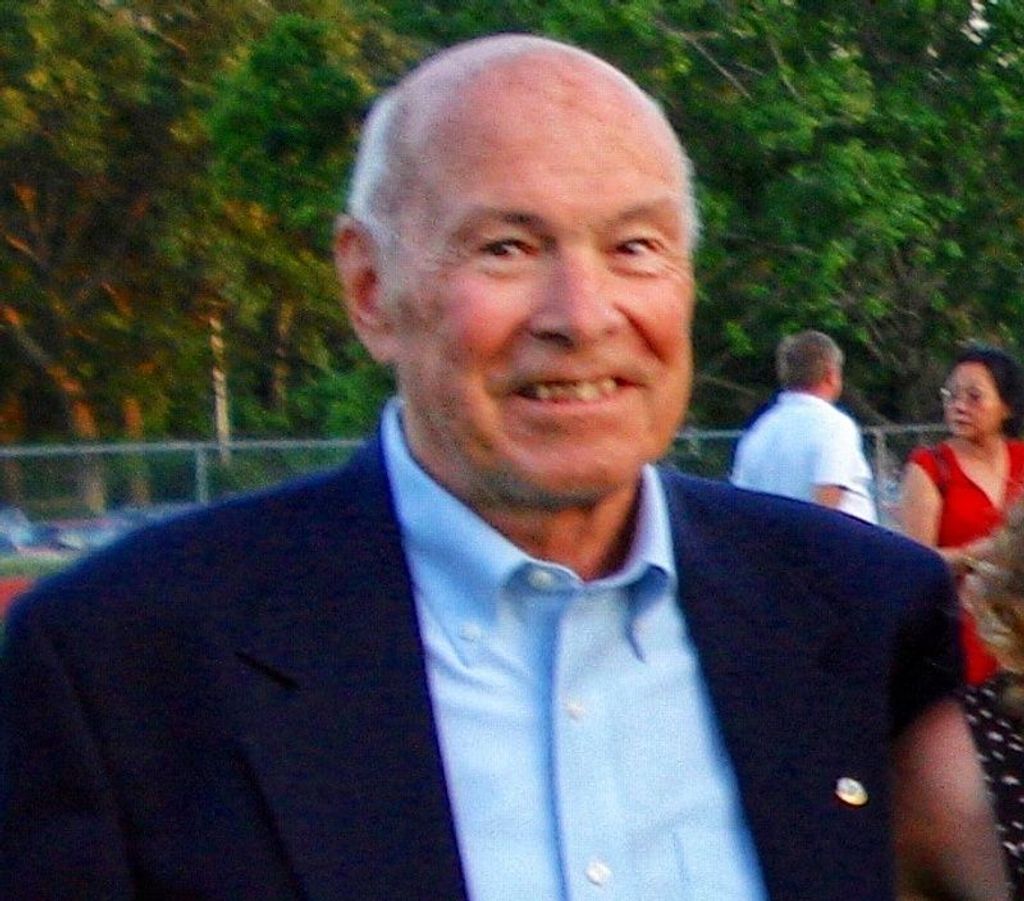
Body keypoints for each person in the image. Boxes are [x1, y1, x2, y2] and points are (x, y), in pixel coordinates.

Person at [1, 34, 1005, 901]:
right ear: (368, 288)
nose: (581, 314)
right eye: (507, 247)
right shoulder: (123, 668)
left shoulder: (861, 616)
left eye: (635, 245)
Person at [900, 343, 1024, 684]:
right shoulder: (930, 467)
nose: (958, 406)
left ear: (1007, 406)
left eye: (974, 397)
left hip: (1017, 630)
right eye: (951, 396)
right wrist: (980, 553)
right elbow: (916, 564)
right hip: (959, 630)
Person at [730, 330, 878, 523]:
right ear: (831, 375)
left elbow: (740, 504)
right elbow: (827, 503)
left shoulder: (760, 430)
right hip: (829, 541)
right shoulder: (834, 426)